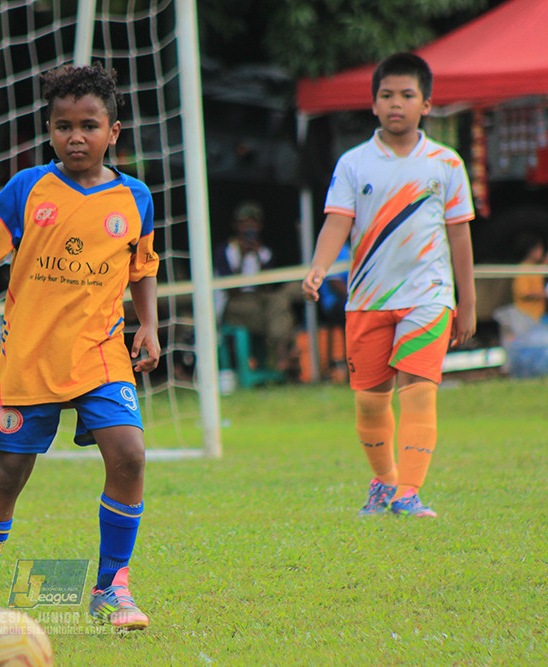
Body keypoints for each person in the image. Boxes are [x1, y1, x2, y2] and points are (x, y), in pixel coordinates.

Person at [0, 63, 160, 630]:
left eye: (89, 125)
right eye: (63, 125)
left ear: (113, 132)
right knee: (6, 473)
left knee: (130, 455)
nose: (75, 137)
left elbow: (142, 267)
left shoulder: (135, 198)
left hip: (101, 353)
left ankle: (113, 587)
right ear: (49, 130)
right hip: (31, 356)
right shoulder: (28, 188)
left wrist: (148, 325)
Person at [302, 52, 476, 519]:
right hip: (368, 299)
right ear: (373, 104)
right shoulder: (354, 164)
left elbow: (460, 236)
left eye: (407, 95)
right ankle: (385, 482)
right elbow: (338, 222)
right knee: (370, 401)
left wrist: (468, 303)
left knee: (419, 389)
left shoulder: (446, 164)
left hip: (429, 296)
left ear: (427, 105)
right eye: (386, 95)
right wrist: (319, 266)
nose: (396, 103)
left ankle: (410, 494)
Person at [214, 201, 298, 374]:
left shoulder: (265, 252)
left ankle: (279, 354)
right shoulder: (225, 251)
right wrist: (243, 258)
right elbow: (231, 289)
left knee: (279, 300)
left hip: (260, 301)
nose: (248, 228)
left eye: (253, 224)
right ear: (236, 225)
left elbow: (267, 288)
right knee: (282, 311)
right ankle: (281, 353)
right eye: (244, 224)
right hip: (234, 303)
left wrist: (258, 259)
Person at [511, 231, 547, 324]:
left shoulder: (536, 268)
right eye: (540, 249)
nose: (541, 252)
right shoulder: (523, 269)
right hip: (527, 318)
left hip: (538, 316)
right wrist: (544, 294)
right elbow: (524, 293)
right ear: (531, 251)